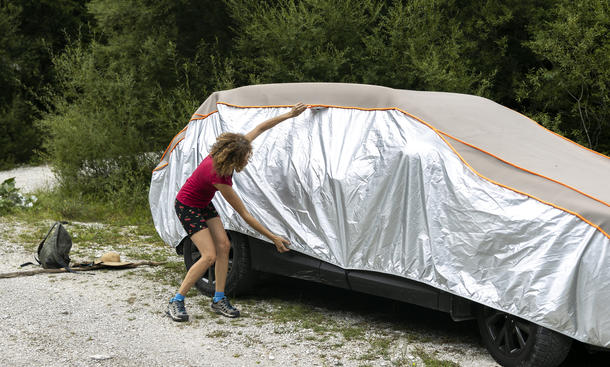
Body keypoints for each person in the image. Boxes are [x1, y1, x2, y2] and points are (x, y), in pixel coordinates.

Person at [167, 102, 308, 322]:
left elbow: (260, 128)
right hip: (187, 206)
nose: (247, 158)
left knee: (224, 246)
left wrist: (290, 114)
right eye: (246, 157)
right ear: (235, 158)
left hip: (202, 202)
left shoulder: (229, 149)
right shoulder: (219, 177)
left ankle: (219, 298)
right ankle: (176, 301)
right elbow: (245, 215)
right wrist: (272, 238)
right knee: (209, 255)